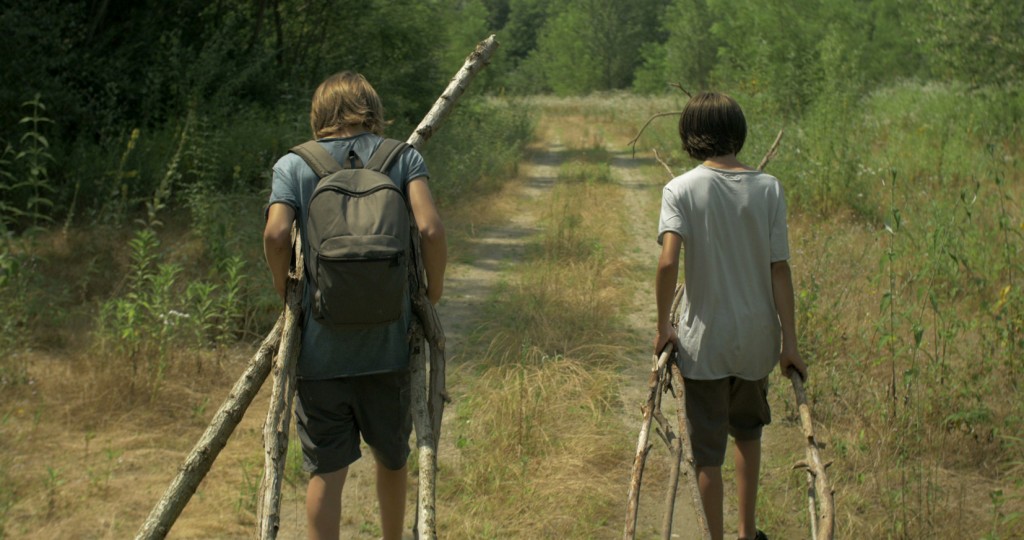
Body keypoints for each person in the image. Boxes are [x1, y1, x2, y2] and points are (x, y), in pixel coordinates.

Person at [263, 71, 447, 540]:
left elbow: (276, 234)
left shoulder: (294, 164)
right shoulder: (402, 158)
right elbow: (430, 230)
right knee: (393, 456)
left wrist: (285, 292)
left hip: (321, 355)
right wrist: (434, 290)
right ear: (371, 108)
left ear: (320, 114)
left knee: (327, 470)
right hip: (388, 348)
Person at [653, 92, 807, 540]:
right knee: (749, 434)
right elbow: (780, 269)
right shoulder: (768, 187)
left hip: (706, 344)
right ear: (737, 134)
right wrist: (789, 345)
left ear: (690, 136)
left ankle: (715, 536)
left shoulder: (681, 188)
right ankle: (747, 532)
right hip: (759, 340)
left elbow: (667, 263)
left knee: (706, 454)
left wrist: (664, 327)